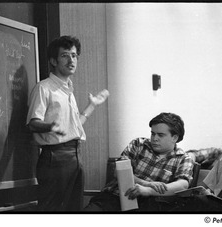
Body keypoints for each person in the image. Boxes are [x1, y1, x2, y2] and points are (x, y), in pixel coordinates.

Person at [26, 35, 109, 211]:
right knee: (52, 211)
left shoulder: (67, 90)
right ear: (53, 61)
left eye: (74, 55)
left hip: (75, 154)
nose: (71, 60)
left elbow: (73, 127)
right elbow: (33, 123)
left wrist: (92, 106)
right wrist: (50, 126)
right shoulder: (44, 88)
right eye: (65, 55)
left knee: (73, 209)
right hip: (55, 157)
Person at [84, 112, 194, 212]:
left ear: (174, 137)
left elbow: (182, 185)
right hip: (115, 197)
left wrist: (148, 190)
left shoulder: (183, 158)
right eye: (153, 133)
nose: (154, 138)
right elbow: (118, 172)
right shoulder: (138, 144)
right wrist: (146, 183)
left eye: (160, 135)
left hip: (149, 205)